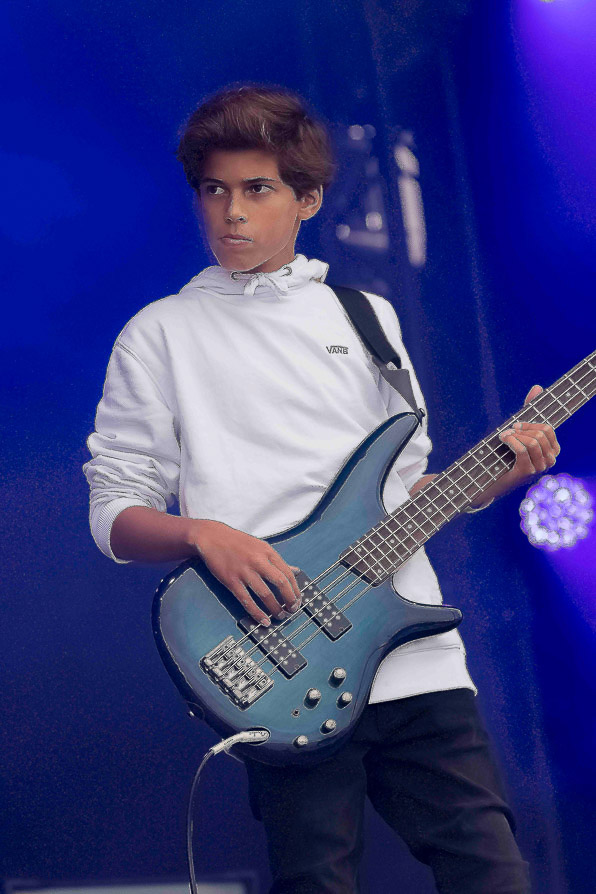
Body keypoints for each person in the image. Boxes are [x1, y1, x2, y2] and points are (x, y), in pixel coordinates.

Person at [83, 83, 560, 893]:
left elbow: (404, 496)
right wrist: (203, 534)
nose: (232, 212)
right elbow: (112, 516)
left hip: (416, 659)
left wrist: (496, 477)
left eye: (257, 189)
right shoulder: (159, 333)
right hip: (279, 663)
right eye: (214, 190)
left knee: (494, 876)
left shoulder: (367, 317)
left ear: (307, 199)